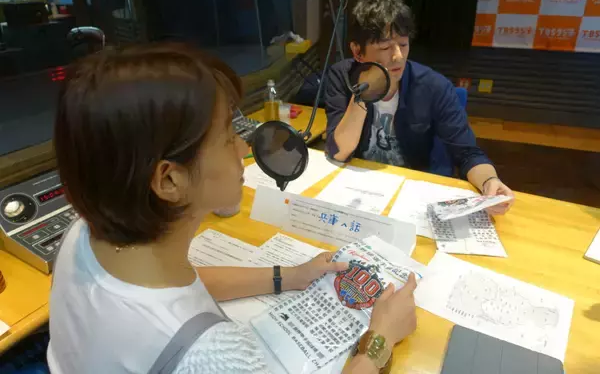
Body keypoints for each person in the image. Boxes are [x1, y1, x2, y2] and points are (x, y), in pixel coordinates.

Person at [48, 43, 418, 374]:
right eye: (227, 137)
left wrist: (290, 276)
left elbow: (186, 285)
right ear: (169, 180)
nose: (243, 148)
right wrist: (378, 342)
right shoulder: (213, 355)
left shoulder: (82, 234)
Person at [325, 0, 514, 215]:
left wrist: (490, 181)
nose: (398, 56)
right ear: (358, 51)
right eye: (385, 47)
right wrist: (363, 91)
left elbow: (468, 153)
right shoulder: (342, 76)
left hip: (413, 194)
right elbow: (339, 151)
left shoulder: (434, 87)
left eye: (403, 44)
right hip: (360, 191)